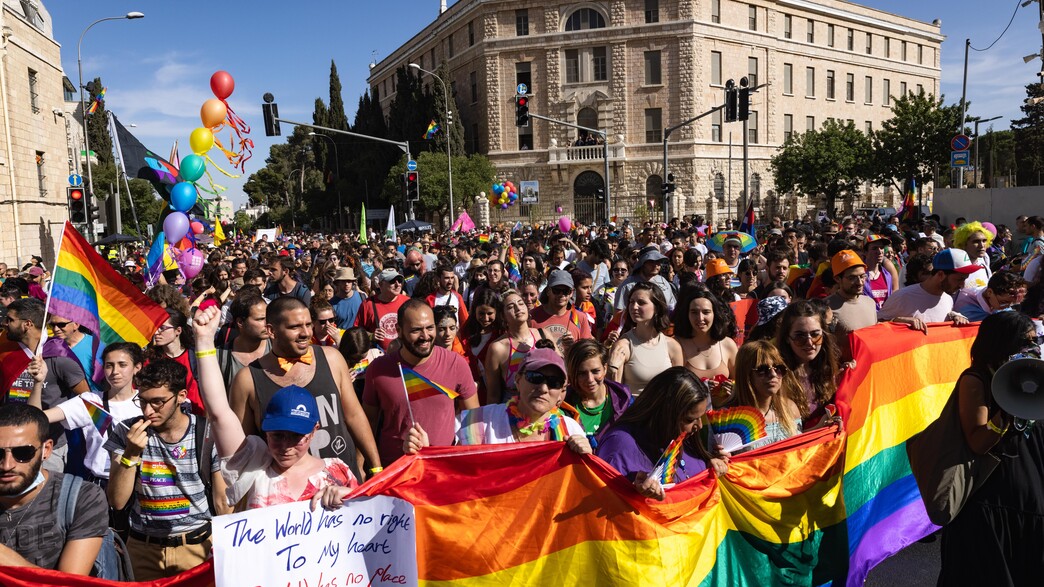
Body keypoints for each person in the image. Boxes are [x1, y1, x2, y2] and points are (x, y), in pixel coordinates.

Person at [192, 306, 357, 511]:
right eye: (277, 435)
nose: (286, 445)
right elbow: (219, 413)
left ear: (314, 430)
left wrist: (350, 497)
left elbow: (366, 518)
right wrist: (204, 341)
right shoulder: (252, 467)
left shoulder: (339, 472)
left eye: (296, 436)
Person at [938, 311, 1044, 586]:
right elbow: (977, 442)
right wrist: (1007, 410)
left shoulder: (1033, 374)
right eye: (1025, 341)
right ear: (1003, 342)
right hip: (991, 495)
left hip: (1031, 484)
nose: (1032, 347)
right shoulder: (976, 379)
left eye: (1035, 340)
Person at [229, 297, 382, 480]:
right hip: (286, 490)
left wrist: (375, 467)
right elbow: (243, 447)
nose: (305, 333)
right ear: (271, 331)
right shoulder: (247, 380)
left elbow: (354, 416)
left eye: (308, 325)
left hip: (342, 483)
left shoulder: (332, 359)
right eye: (295, 327)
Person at [105, 359, 228, 581]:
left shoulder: (208, 433)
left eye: (158, 402)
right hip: (142, 548)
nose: (148, 410)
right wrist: (131, 454)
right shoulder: (126, 432)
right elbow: (117, 501)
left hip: (197, 547)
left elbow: (222, 503)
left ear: (181, 396)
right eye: (142, 401)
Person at [402, 348, 590, 452]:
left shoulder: (571, 431)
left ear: (562, 391)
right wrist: (424, 450)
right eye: (535, 377)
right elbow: (445, 467)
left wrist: (587, 457)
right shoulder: (477, 421)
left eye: (554, 382)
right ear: (518, 380)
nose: (543, 388)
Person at [363, 300, 479, 465]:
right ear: (399, 331)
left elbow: (474, 422)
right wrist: (371, 468)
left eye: (430, 328)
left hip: (442, 468)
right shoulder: (378, 368)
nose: (425, 336)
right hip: (395, 469)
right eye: (416, 330)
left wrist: (454, 459)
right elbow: (367, 424)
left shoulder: (455, 363)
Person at [0, 403, 108, 574]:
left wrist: (5, 558)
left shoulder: (80, 497)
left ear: (46, 449)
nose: (7, 465)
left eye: (23, 453)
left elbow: (70, 582)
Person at [596, 367, 726, 501]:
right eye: (689, 419)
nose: (699, 425)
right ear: (665, 414)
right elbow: (606, 502)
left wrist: (712, 464)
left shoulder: (685, 437)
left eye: (701, 417)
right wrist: (637, 493)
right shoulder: (619, 445)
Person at [30, 343, 145, 485]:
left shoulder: (148, 403)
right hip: (101, 483)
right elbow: (35, 418)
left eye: (122, 365)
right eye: (109, 365)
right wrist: (38, 383)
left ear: (137, 367)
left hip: (141, 483)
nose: (115, 371)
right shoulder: (91, 402)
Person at [2, 298, 89, 473]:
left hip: (49, 448)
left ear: (27, 324)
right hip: (9, 444)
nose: (5, 323)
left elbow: (87, 399)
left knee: (46, 491)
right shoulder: (7, 353)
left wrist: (47, 417)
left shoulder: (59, 356)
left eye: (10, 320)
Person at [727, 341, 804, 452]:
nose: (773, 375)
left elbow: (801, 450)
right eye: (762, 370)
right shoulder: (728, 418)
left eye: (778, 368)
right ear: (746, 375)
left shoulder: (790, 408)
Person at [607, 283, 683, 396]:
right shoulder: (623, 345)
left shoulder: (673, 346)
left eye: (641, 303)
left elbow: (678, 389)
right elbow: (616, 394)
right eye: (631, 302)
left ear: (657, 308)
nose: (634, 307)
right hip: (634, 407)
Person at [878, 249, 977, 332]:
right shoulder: (902, 297)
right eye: (959, 279)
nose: (962, 285)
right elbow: (876, 325)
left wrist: (954, 317)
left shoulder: (948, 299)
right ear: (940, 275)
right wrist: (896, 321)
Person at [775, 301, 840, 419]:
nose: (809, 343)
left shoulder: (828, 370)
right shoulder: (775, 375)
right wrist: (817, 427)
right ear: (787, 338)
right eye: (800, 336)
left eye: (815, 334)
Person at [674, 287, 738, 406]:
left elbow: (740, 383)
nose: (700, 318)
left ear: (715, 314)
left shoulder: (728, 344)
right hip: (690, 414)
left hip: (725, 413)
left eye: (706, 312)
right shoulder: (676, 345)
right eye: (694, 312)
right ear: (687, 314)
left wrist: (731, 388)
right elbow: (673, 388)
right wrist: (702, 388)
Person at [562, 339, 631, 443]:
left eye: (595, 371)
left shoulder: (624, 400)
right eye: (582, 373)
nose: (590, 379)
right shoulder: (563, 403)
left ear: (605, 368)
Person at [484, 290, 540, 404]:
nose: (518, 308)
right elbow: (493, 395)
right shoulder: (497, 348)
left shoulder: (542, 335)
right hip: (512, 411)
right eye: (510, 307)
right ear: (502, 316)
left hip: (545, 409)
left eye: (521, 303)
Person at [147, 308, 204, 415]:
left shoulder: (196, 357)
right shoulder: (150, 361)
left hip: (198, 417)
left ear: (178, 330)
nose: (157, 332)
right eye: (155, 327)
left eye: (162, 328)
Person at [216, 287, 271, 389]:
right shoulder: (220, 357)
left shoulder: (279, 348)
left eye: (268, 317)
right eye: (260, 319)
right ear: (240, 322)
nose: (267, 323)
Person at [824, 250, 878, 355]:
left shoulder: (870, 303)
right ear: (837, 279)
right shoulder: (825, 307)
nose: (859, 282)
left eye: (862, 276)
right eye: (852, 278)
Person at [530, 270, 592, 355]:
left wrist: (573, 347)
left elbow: (587, 352)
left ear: (571, 293)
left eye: (566, 291)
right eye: (556, 290)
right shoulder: (532, 316)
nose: (561, 295)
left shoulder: (580, 318)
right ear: (548, 291)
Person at [354, 268, 410, 351]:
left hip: (404, 353)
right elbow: (356, 332)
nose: (397, 284)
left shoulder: (407, 302)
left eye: (399, 280)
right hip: (380, 355)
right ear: (380, 285)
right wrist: (371, 336)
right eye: (392, 281)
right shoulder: (368, 304)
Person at [953, 271, 1025, 322]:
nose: (1007, 307)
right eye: (1003, 302)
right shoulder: (966, 305)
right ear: (989, 292)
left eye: (1012, 304)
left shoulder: (1004, 304)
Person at [425, 264, 469, 328]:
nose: (450, 282)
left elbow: (465, 320)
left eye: (452, 278)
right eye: (446, 278)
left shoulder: (457, 297)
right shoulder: (430, 299)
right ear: (438, 279)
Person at [954, 221, 994, 291]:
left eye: (984, 241)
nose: (982, 245)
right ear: (964, 244)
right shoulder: (956, 265)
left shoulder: (985, 262)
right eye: (976, 241)